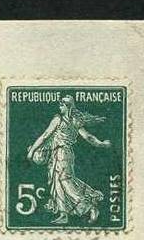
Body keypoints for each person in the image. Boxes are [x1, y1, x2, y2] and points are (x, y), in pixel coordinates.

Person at [26, 94, 111, 225]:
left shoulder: (58, 119)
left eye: (62, 104)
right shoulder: (75, 121)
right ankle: (63, 214)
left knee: (64, 182)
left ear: (67, 106)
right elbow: (88, 137)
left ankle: (89, 207)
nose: (59, 105)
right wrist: (101, 144)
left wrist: (32, 151)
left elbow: (45, 136)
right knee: (61, 182)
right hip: (66, 154)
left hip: (61, 153)